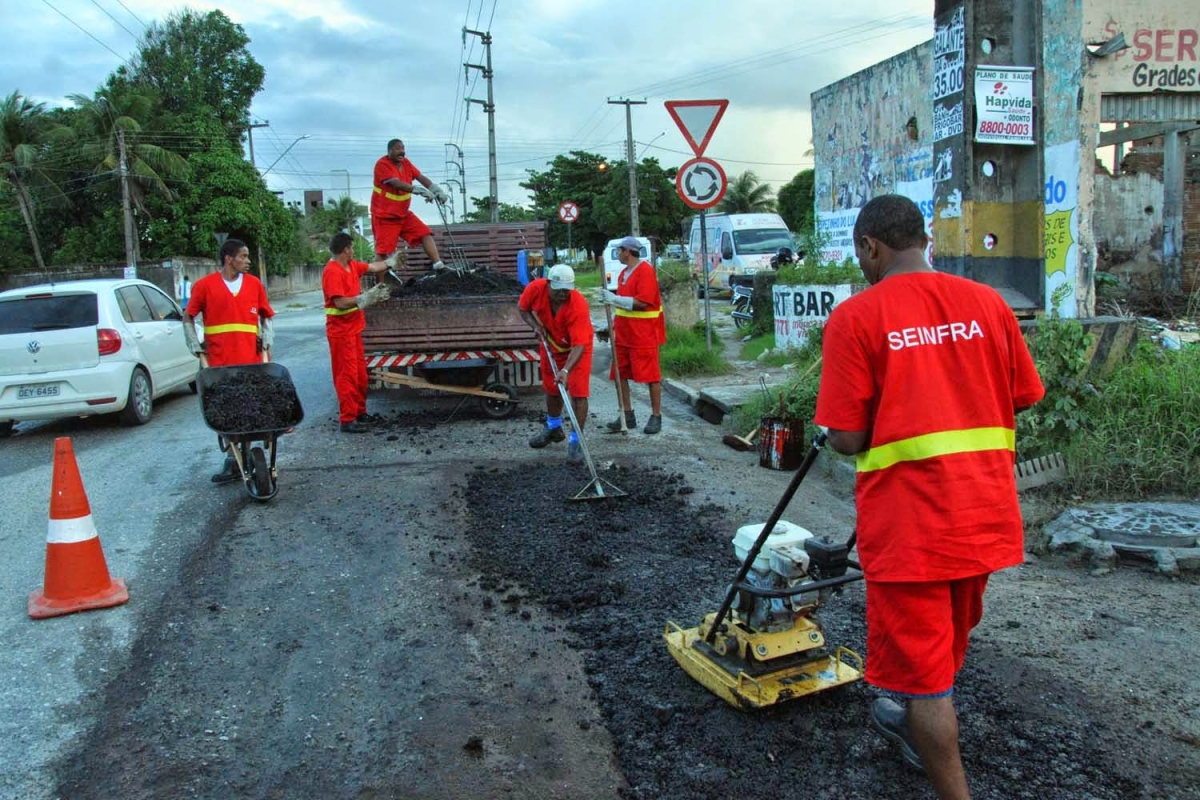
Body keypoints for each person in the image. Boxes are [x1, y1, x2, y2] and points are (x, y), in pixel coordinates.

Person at [813, 195, 1044, 800]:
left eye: (860, 254)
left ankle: (947, 779)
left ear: (871, 247)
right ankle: (917, 726)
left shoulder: (858, 318)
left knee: (923, 680)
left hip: (911, 529)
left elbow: (847, 438)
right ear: (923, 240)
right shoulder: (988, 304)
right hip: (983, 516)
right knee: (943, 654)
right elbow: (1022, 394)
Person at [183, 238, 276, 484]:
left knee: (252, 409)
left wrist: (266, 339)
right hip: (219, 364)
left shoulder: (254, 285)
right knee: (227, 413)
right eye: (243, 256)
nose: (247, 261)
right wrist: (194, 343)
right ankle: (234, 460)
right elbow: (188, 317)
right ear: (229, 258)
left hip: (251, 361)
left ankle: (245, 456)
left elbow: (267, 316)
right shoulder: (205, 286)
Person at [518, 264, 594, 464]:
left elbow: (579, 345)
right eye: (558, 289)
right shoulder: (535, 289)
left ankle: (576, 441)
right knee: (552, 388)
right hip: (551, 343)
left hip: (576, 351)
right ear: (549, 283)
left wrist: (566, 370)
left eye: (566, 290)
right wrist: (536, 326)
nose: (562, 294)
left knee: (578, 394)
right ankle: (553, 427)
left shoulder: (577, 306)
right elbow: (523, 308)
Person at [322, 232, 393, 433]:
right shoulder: (332, 272)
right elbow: (340, 302)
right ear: (345, 249)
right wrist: (365, 298)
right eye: (352, 247)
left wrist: (390, 262)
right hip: (340, 333)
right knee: (347, 376)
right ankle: (348, 419)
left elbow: (372, 267)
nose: (353, 251)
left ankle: (359, 413)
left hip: (353, 330)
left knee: (360, 375)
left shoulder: (352, 266)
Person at [599, 235, 666, 434]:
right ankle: (627, 414)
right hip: (624, 334)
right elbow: (622, 307)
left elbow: (642, 302)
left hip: (643, 334)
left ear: (627, 251)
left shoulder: (645, 271)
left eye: (619, 250)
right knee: (620, 375)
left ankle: (656, 416)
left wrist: (614, 299)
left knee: (651, 376)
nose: (618, 254)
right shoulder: (623, 274)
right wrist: (610, 325)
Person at [371, 138, 449, 271]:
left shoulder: (406, 163)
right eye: (397, 148)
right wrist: (416, 190)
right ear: (389, 151)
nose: (401, 151)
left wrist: (435, 189)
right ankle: (380, 286)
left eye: (403, 148)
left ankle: (438, 265)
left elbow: (420, 177)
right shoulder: (382, 165)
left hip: (403, 214)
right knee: (382, 252)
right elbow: (395, 183)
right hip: (385, 216)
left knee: (425, 233)